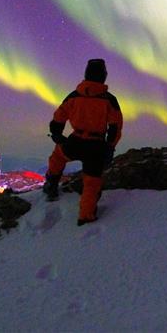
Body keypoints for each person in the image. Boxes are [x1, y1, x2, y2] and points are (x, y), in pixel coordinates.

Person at [42, 58, 123, 226]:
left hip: (75, 142)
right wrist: (110, 147)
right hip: (96, 146)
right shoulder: (109, 100)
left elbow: (59, 117)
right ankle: (86, 216)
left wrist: (57, 134)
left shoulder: (74, 96)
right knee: (92, 182)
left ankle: (51, 184)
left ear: (86, 74)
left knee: (58, 156)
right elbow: (115, 127)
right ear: (103, 76)